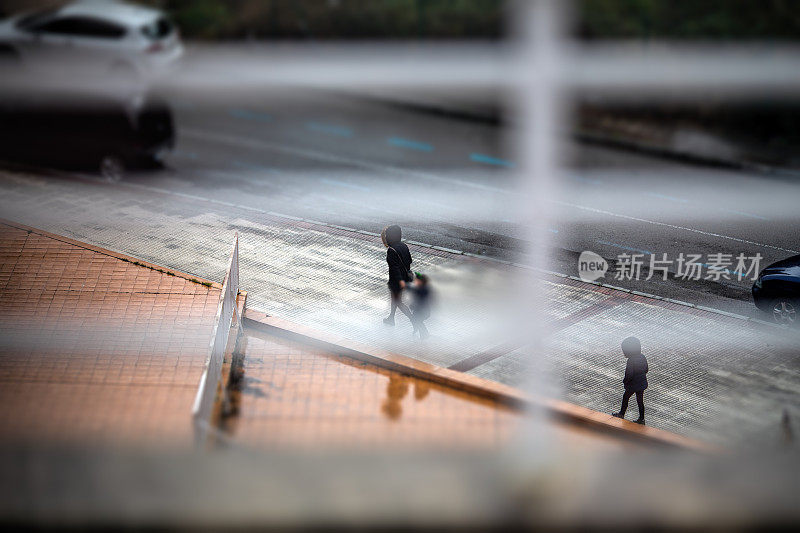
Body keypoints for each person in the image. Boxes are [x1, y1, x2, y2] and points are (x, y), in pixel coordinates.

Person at [381, 225, 414, 327]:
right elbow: (410, 260)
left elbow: (394, 268)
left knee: (398, 302)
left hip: (397, 281)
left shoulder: (391, 250)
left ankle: (415, 321)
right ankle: (391, 318)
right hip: (405, 278)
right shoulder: (404, 246)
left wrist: (399, 281)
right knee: (395, 299)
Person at [612, 336, 648, 425]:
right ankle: (642, 418)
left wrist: (625, 381)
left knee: (625, 398)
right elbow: (646, 369)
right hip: (642, 383)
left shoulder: (631, 360)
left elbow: (629, 374)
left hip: (633, 385)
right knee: (640, 401)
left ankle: (621, 414)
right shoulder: (642, 357)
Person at [407, 273, 431, 340]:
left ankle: (424, 335)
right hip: (420, 311)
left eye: (417, 280)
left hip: (422, 311)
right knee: (416, 320)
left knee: (417, 320)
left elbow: (420, 300)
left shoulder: (422, 289)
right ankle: (423, 334)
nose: (416, 281)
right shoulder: (421, 288)